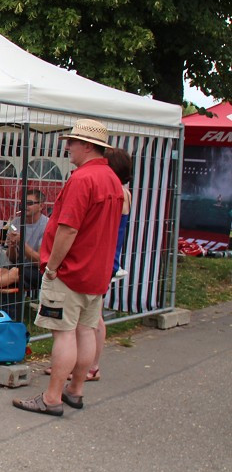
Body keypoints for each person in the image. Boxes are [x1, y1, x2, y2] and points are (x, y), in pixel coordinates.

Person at [13, 119, 123, 416]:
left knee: (63, 334)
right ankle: (75, 389)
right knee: (86, 331)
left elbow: (68, 228)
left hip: (71, 271)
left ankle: (51, 397)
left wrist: (52, 266)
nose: (68, 147)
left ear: (87, 145)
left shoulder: (82, 179)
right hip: (96, 270)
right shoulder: (112, 179)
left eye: (72, 142)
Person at [86, 146, 134, 382]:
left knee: (94, 315)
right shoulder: (121, 191)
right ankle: (81, 364)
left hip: (104, 259)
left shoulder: (119, 193)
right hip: (104, 257)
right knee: (88, 315)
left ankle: (92, 365)